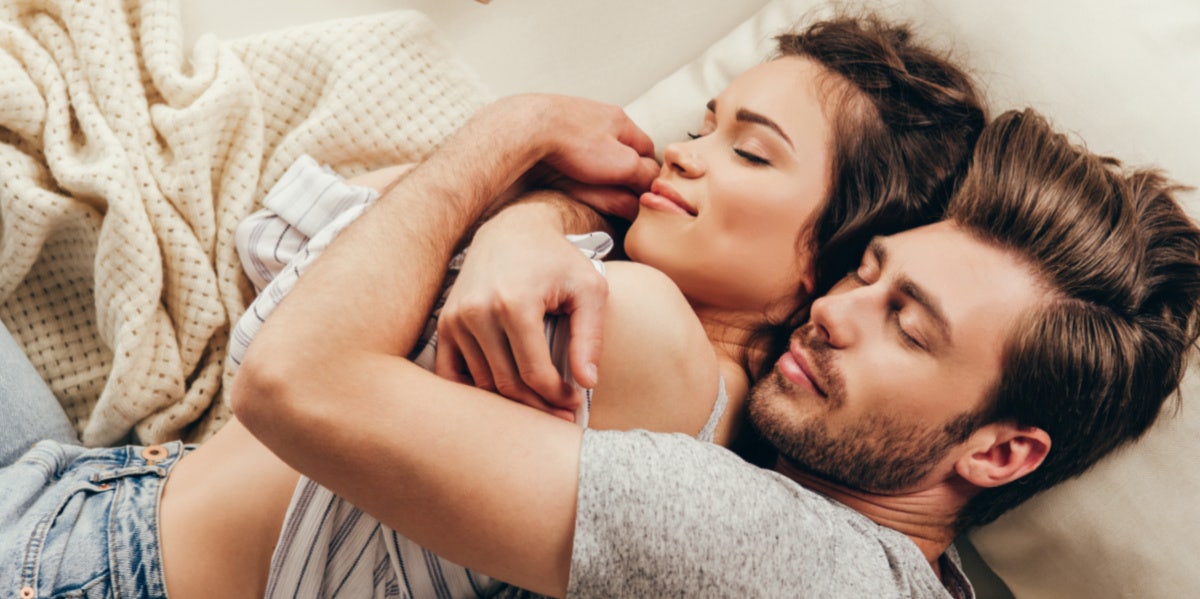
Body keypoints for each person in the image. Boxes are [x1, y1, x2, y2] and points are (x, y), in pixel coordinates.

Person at [229, 103, 1200, 599]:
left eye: (908, 325)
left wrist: (510, 130)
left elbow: (292, 382)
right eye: (865, 271)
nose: (835, 312)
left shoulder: (777, 555)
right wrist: (535, 219)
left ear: (997, 451)